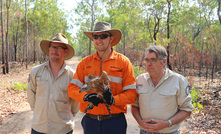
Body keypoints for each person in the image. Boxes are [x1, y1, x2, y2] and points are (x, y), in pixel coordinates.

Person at [67, 21, 137, 134]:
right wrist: (86, 96)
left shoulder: (123, 62)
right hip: (91, 122)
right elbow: (72, 88)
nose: (99, 40)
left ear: (111, 39)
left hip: (115, 122)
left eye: (103, 36)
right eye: (95, 36)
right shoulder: (84, 63)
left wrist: (114, 100)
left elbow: (132, 94)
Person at [131, 45, 194, 134]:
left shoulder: (178, 81)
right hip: (144, 131)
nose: (149, 64)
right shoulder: (140, 80)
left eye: (153, 60)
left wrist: (167, 123)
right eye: (147, 60)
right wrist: (140, 121)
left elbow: (187, 109)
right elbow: (134, 106)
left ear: (164, 62)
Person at [27, 33, 80, 134]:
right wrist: (40, 113)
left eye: (59, 48)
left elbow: (75, 102)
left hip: (63, 129)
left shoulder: (72, 76)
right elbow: (31, 95)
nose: (54, 51)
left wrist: (66, 117)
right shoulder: (36, 71)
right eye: (52, 47)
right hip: (39, 128)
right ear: (49, 49)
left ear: (65, 51)